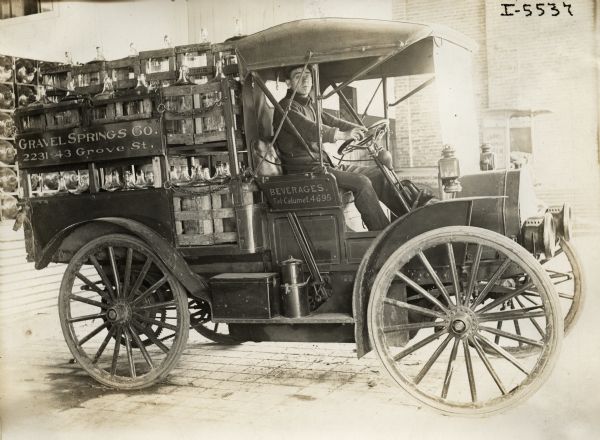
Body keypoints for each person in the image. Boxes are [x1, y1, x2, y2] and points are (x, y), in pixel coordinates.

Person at [273, 65, 418, 230]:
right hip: (305, 171)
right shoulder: (285, 107)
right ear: (288, 83)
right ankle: (384, 235)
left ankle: (411, 221)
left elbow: (333, 121)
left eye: (308, 75)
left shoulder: (309, 105)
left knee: (378, 175)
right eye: (299, 75)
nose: (305, 79)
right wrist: (343, 135)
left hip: (323, 165)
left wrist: (361, 129)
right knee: (362, 182)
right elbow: (309, 128)